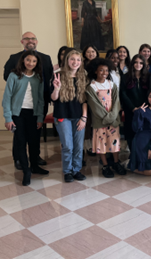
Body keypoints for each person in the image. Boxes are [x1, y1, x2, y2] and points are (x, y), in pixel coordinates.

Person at [3, 31, 53, 169]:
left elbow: (48, 77)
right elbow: (7, 77)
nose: (30, 41)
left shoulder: (45, 58)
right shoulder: (14, 58)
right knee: (19, 134)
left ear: (36, 41)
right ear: (22, 42)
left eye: (33, 38)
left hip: (40, 100)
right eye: (27, 39)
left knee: (35, 132)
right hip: (20, 104)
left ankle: (35, 157)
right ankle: (19, 158)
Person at [2, 51, 46, 186]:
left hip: (33, 114)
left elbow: (40, 100)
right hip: (18, 114)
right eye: (28, 60)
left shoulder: (38, 77)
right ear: (23, 60)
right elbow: (7, 98)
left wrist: (40, 117)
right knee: (20, 142)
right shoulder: (14, 75)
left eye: (34, 61)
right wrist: (8, 118)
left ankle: (34, 166)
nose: (31, 63)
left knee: (34, 142)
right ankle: (26, 170)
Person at [51, 50, 88, 183]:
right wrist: (56, 88)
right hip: (63, 116)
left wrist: (84, 118)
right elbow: (54, 99)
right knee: (67, 145)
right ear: (67, 60)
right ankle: (67, 171)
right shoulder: (58, 75)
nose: (75, 62)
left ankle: (76, 170)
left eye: (78, 60)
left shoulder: (83, 76)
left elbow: (85, 100)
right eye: (72, 59)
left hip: (78, 116)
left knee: (78, 146)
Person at [86, 58, 126, 178]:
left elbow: (116, 102)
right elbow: (95, 106)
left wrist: (112, 116)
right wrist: (108, 118)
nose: (104, 73)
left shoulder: (112, 85)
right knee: (101, 144)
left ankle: (116, 162)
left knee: (114, 143)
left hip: (113, 120)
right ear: (95, 71)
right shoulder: (91, 87)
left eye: (107, 70)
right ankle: (105, 165)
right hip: (100, 121)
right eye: (101, 70)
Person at [120, 54, 149, 155]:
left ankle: (141, 154)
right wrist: (133, 108)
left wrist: (142, 107)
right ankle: (133, 155)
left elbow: (150, 94)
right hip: (130, 110)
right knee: (130, 132)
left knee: (143, 132)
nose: (138, 65)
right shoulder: (125, 77)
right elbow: (123, 94)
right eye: (136, 62)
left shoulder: (147, 77)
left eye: (141, 63)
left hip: (144, 109)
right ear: (132, 64)